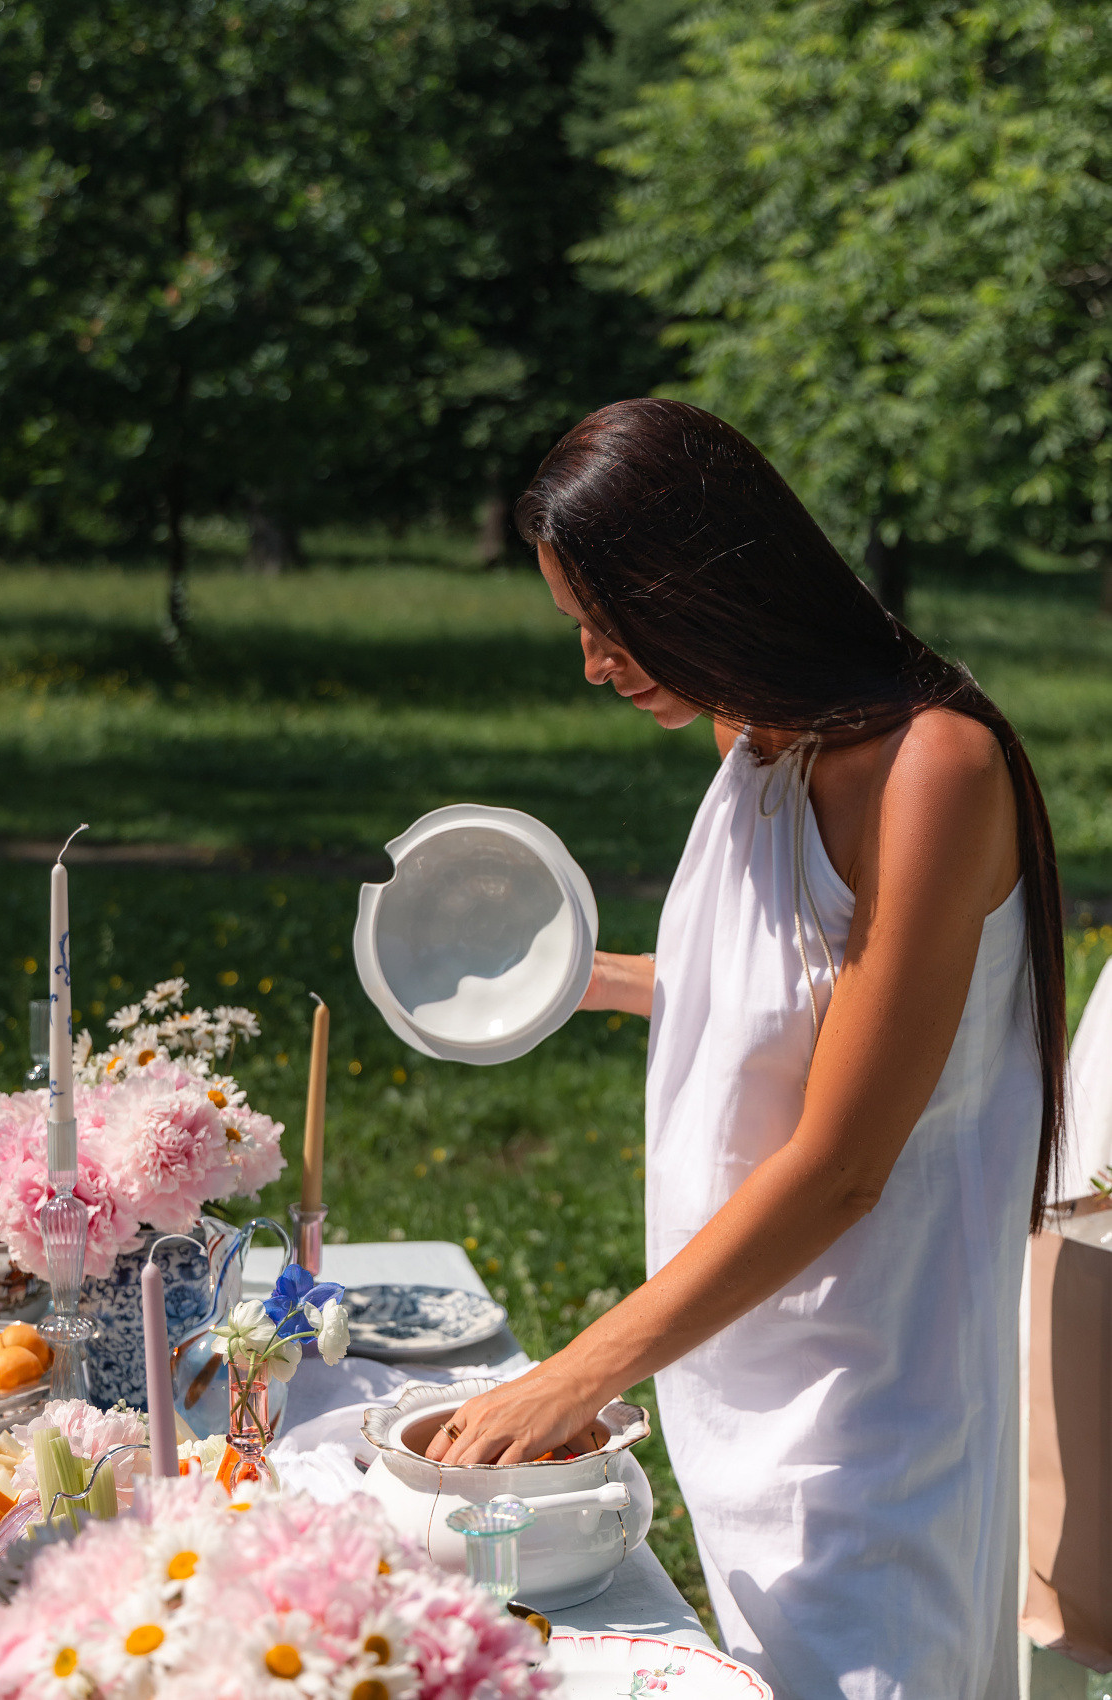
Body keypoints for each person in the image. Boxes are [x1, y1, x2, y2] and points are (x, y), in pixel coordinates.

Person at [426, 399, 1066, 1699]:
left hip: (872, 1423)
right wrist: (579, 979)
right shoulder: (757, 741)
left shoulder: (931, 769)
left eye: (608, 624)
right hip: (729, 1387)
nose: (596, 665)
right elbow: (794, 1002)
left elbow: (843, 1157)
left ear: (700, 582)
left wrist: (574, 1376)